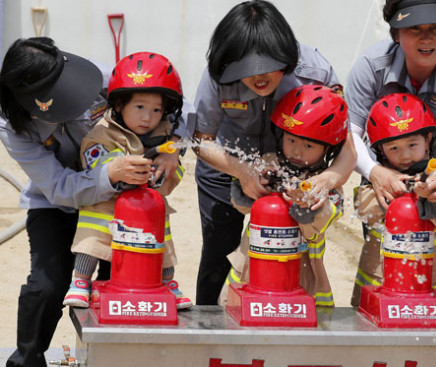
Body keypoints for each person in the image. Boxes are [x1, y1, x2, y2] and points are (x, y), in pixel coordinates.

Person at [0, 38, 186, 367]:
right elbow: (56, 186)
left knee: (121, 283)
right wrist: (109, 175)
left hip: (122, 203)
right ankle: (27, 359)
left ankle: (115, 359)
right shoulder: (13, 125)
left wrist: (174, 147)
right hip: (57, 205)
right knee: (47, 286)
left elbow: (168, 104)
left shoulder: (100, 78)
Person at [191, 0, 356, 305]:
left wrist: (326, 180)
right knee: (219, 252)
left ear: (287, 57)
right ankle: (211, 339)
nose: (258, 78)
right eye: (246, 70)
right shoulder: (218, 70)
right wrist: (242, 171)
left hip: (297, 171)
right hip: (226, 165)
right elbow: (201, 140)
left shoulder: (316, 71)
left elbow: (347, 148)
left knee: (292, 252)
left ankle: (285, 327)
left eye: (268, 67)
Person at [346, 0, 436, 296]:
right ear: (396, 33)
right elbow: (351, 133)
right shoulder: (371, 67)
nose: (427, 38)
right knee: (381, 261)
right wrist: (375, 172)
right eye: (414, 28)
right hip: (381, 176)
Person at [62, 52, 192, 309]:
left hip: (145, 207)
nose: (148, 117)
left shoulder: (166, 137)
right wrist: (116, 170)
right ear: (119, 105)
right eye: (140, 107)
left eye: (157, 110)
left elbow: (171, 179)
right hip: (106, 203)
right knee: (94, 232)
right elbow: (93, 163)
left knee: (160, 237)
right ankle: (81, 280)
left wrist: (168, 166)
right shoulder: (102, 132)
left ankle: (166, 282)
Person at [222, 85, 348, 307]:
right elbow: (240, 203)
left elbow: (325, 219)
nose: (297, 151)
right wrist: (253, 186)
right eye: (291, 140)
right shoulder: (270, 162)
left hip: (301, 276)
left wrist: (308, 204)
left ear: (330, 149)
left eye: (308, 145)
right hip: (251, 269)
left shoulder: (326, 185)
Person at [352, 93, 436, 308]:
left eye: (412, 145)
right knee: (372, 318)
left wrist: (429, 196)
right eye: (394, 148)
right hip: (379, 268)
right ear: (380, 150)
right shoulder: (380, 176)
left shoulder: (435, 173)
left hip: (428, 269)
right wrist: (394, 191)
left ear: (428, 140)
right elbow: (363, 209)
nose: (405, 156)